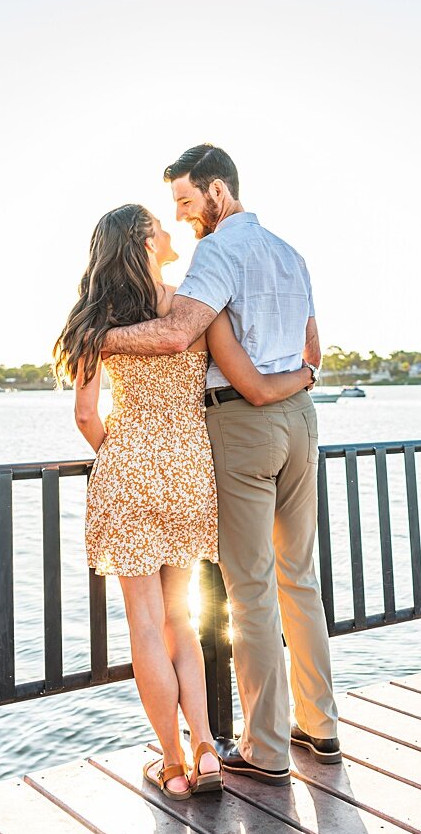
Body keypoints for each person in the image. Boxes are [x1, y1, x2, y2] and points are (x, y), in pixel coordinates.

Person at [100, 144, 338, 785]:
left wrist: (95, 338)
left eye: (185, 201)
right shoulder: (291, 253)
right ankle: (322, 726)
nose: (180, 217)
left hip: (242, 421)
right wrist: (302, 379)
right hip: (301, 422)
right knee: (300, 578)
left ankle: (265, 750)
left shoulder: (219, 251)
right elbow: (315, 346)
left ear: (217, 193)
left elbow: (178, 334)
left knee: (251, 589)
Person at [53, 203, 307, 798]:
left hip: (130, 471)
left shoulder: (93, 323)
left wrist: (126, 452)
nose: (170, 231)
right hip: (190, 472)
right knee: (181, 619)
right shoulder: (191, 308)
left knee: (144, 621)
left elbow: (87, 415)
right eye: (159, 226)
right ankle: (206, 748)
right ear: (144, 242)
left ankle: (171, 766)